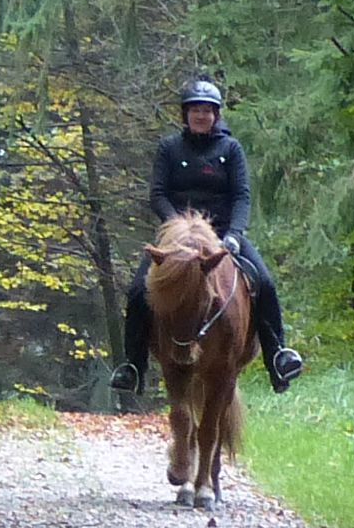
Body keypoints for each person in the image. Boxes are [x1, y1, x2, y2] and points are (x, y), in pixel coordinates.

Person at [109, 79, 306, 395]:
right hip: (178, 238)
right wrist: (179, 230)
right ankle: (133, 365)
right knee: (137, 290)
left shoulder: (231, 149)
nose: (201, 116)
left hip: (223, 235)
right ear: (185, 114)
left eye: (207, 111)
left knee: (265, 283)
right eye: (195, 110)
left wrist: (234, 235)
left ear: (216, 115)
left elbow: (241, 196)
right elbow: (158, 194)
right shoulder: (169, 148)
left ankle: (278, 357)